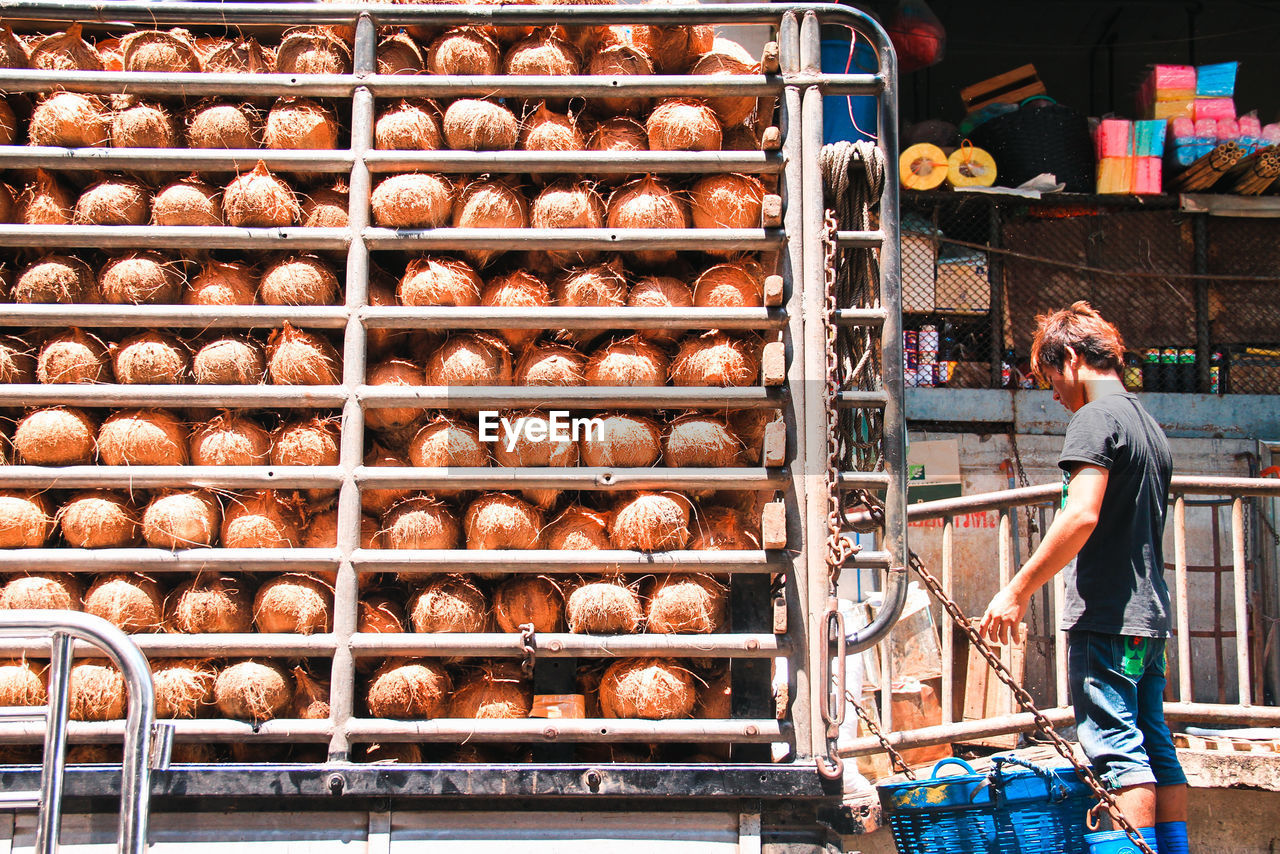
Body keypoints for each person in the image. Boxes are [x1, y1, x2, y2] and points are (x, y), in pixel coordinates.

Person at [978, 302, 1188, 854]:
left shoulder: (1094, 419)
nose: (1053, 394)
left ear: (1070, 357)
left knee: (1118, 749)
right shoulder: (1147, 423)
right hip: (1147, 616)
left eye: (1050, 378)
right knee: (1155, 745)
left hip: (1108, 614)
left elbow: (1081, 514)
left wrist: (1016, 590)